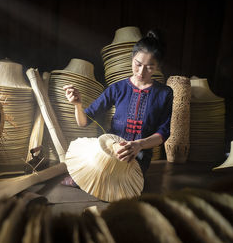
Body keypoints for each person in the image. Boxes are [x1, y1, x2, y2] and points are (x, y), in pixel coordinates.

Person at [61, 30, 173, 186]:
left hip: (139, 156)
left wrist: (139, 145)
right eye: (138, 64)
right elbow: (84, 121)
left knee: (123, 185)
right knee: (91, 179)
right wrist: (77, 104)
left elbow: (163, 132)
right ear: (132, 58)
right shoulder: (118, 88)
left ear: (157, 67)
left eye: (149, 67)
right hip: (110, 150)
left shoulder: (164, 93)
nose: (141, 72)